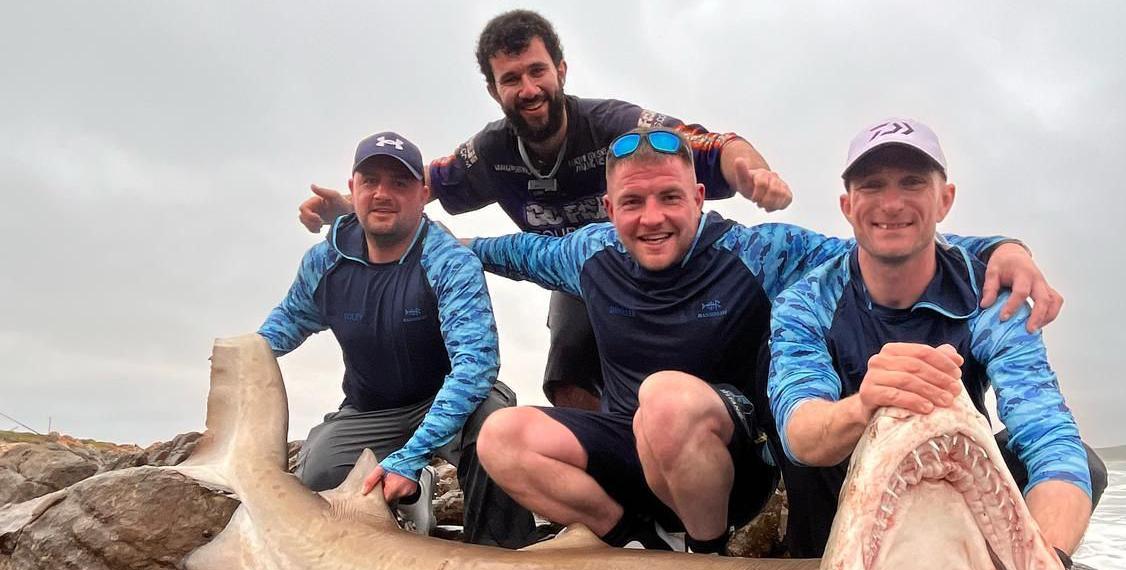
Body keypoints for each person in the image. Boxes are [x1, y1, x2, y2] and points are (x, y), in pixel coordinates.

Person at [467, 127, 1049, 554]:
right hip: (629, 442)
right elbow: (507, 254)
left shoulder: (756, 251)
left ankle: (707, 553)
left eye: (670, 198)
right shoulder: (587, 251)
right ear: (607, 209)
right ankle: (635, 542)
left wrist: (1000, 249)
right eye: (633, 203)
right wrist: (441, 245)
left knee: (666, 399)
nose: (652, 218)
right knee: (501, 436)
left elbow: (882, 245)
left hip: (727, 455)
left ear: (699, 197)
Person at [297, 10, 793, 413]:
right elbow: (416, 185)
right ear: (495, 91)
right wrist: (356, 209)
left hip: (661, 263)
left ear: (560, 69)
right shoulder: (490, 152)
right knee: (566, 374)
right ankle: (609, 491)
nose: (528, 88)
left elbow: (711, 144)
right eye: (511, 79)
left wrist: (754, 172)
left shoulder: (613, 124)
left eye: (537, 71)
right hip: (579, 277)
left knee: (696, 366)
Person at [766, 117, 1108, 570]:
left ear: (945, 199)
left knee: (1086, 465)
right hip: (845, 498)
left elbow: (1050, 439)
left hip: (951, 494)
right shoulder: (808, 300)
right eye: (872, 186)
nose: (892, 203)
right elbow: (800, 431)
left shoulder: (992, 296)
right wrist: (866, 405)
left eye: (912, 183)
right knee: (818, 447)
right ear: (848, 206)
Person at [259, 131, 536, 548]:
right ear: (353, 189)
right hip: (370, 410)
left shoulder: (448, 260)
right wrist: (238, 358)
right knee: (317, 478)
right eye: (370, 181)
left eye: (400, 183)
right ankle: (412, 502)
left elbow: (475, 365)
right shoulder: (325, 262)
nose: (383, 193)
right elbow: (286, 324)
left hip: (454, 402)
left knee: (500, 434)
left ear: (423, 193)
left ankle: (502, 559)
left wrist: (414, 452)